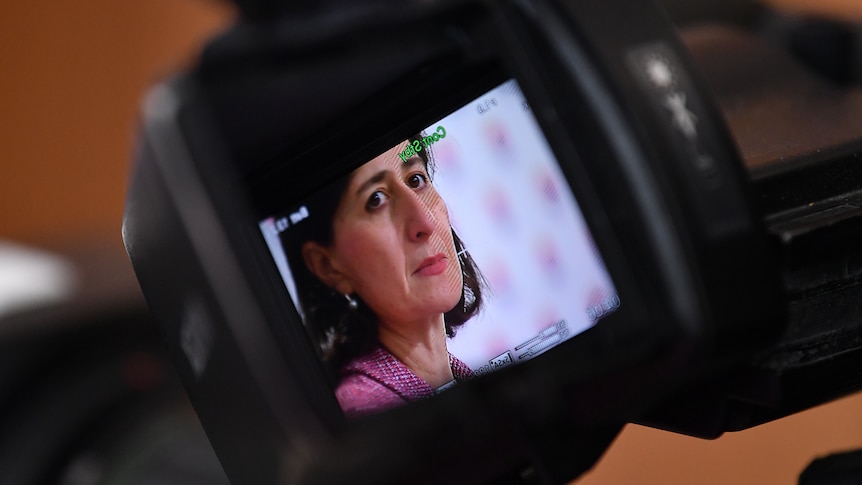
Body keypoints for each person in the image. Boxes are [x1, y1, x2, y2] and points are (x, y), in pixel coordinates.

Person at [279, 133, 484, 418]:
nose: (426, 221)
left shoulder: (463, 377)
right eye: (376, 199)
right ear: (328, 265)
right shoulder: (362, 412)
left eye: (416, 179)